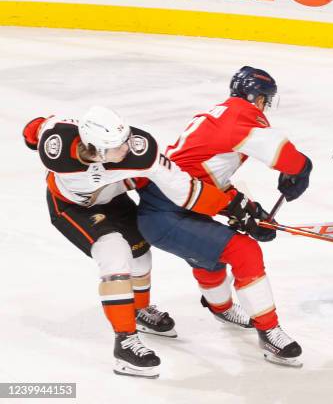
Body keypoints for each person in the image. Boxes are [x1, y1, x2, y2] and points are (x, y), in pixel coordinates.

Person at [23, 106, 258, 378]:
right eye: (115, 148)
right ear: (94, 149)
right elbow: (35, 129)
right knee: (114, 254)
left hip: (113, 198)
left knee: (140, 254)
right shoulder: (57, 144)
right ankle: (124, 344)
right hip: (72, 206)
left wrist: (229, 206)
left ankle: (139, 309)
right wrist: (30, 134)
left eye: (125, 140)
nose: (125, 149)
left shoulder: (139, 149)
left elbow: (184, 187)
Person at [137, 66, 312, 367]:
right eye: (265, 100)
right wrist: (302, 167)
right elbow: (283, 153)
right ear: (256, 98)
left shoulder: (219, 114)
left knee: (210, 253)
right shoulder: (241, 114)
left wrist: (248, 210)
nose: (264, 107)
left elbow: (203, 177)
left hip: (167, 207)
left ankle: (220, 307)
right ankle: (269, 332)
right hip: (167, 212)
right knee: (244, 251)